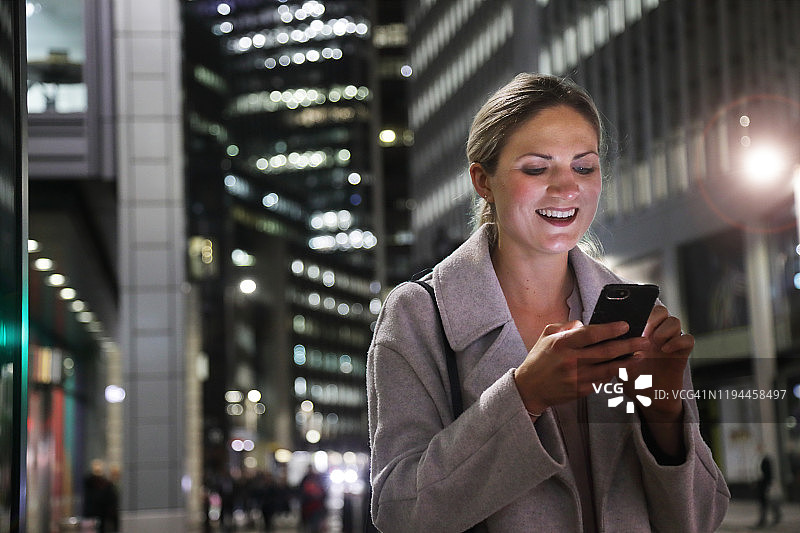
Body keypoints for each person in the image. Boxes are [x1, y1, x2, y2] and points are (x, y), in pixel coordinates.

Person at [366, 73, 730, 532]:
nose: (566, 188)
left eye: (584, 167)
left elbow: (702, 518)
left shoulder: (634, 312)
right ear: (483, 180)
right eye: (537, 169)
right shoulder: (419, 317)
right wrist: (523, 396)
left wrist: (664, 410)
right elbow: (401, 513)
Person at [755, 448, 781, 527]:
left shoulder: (766, 460)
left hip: (765, 485)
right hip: (763, 484)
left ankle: (766, 519)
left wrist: (768, 485)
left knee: (767, 502)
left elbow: (769, 474)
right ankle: (764, 519)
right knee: (765, 503)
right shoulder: (762, 460)